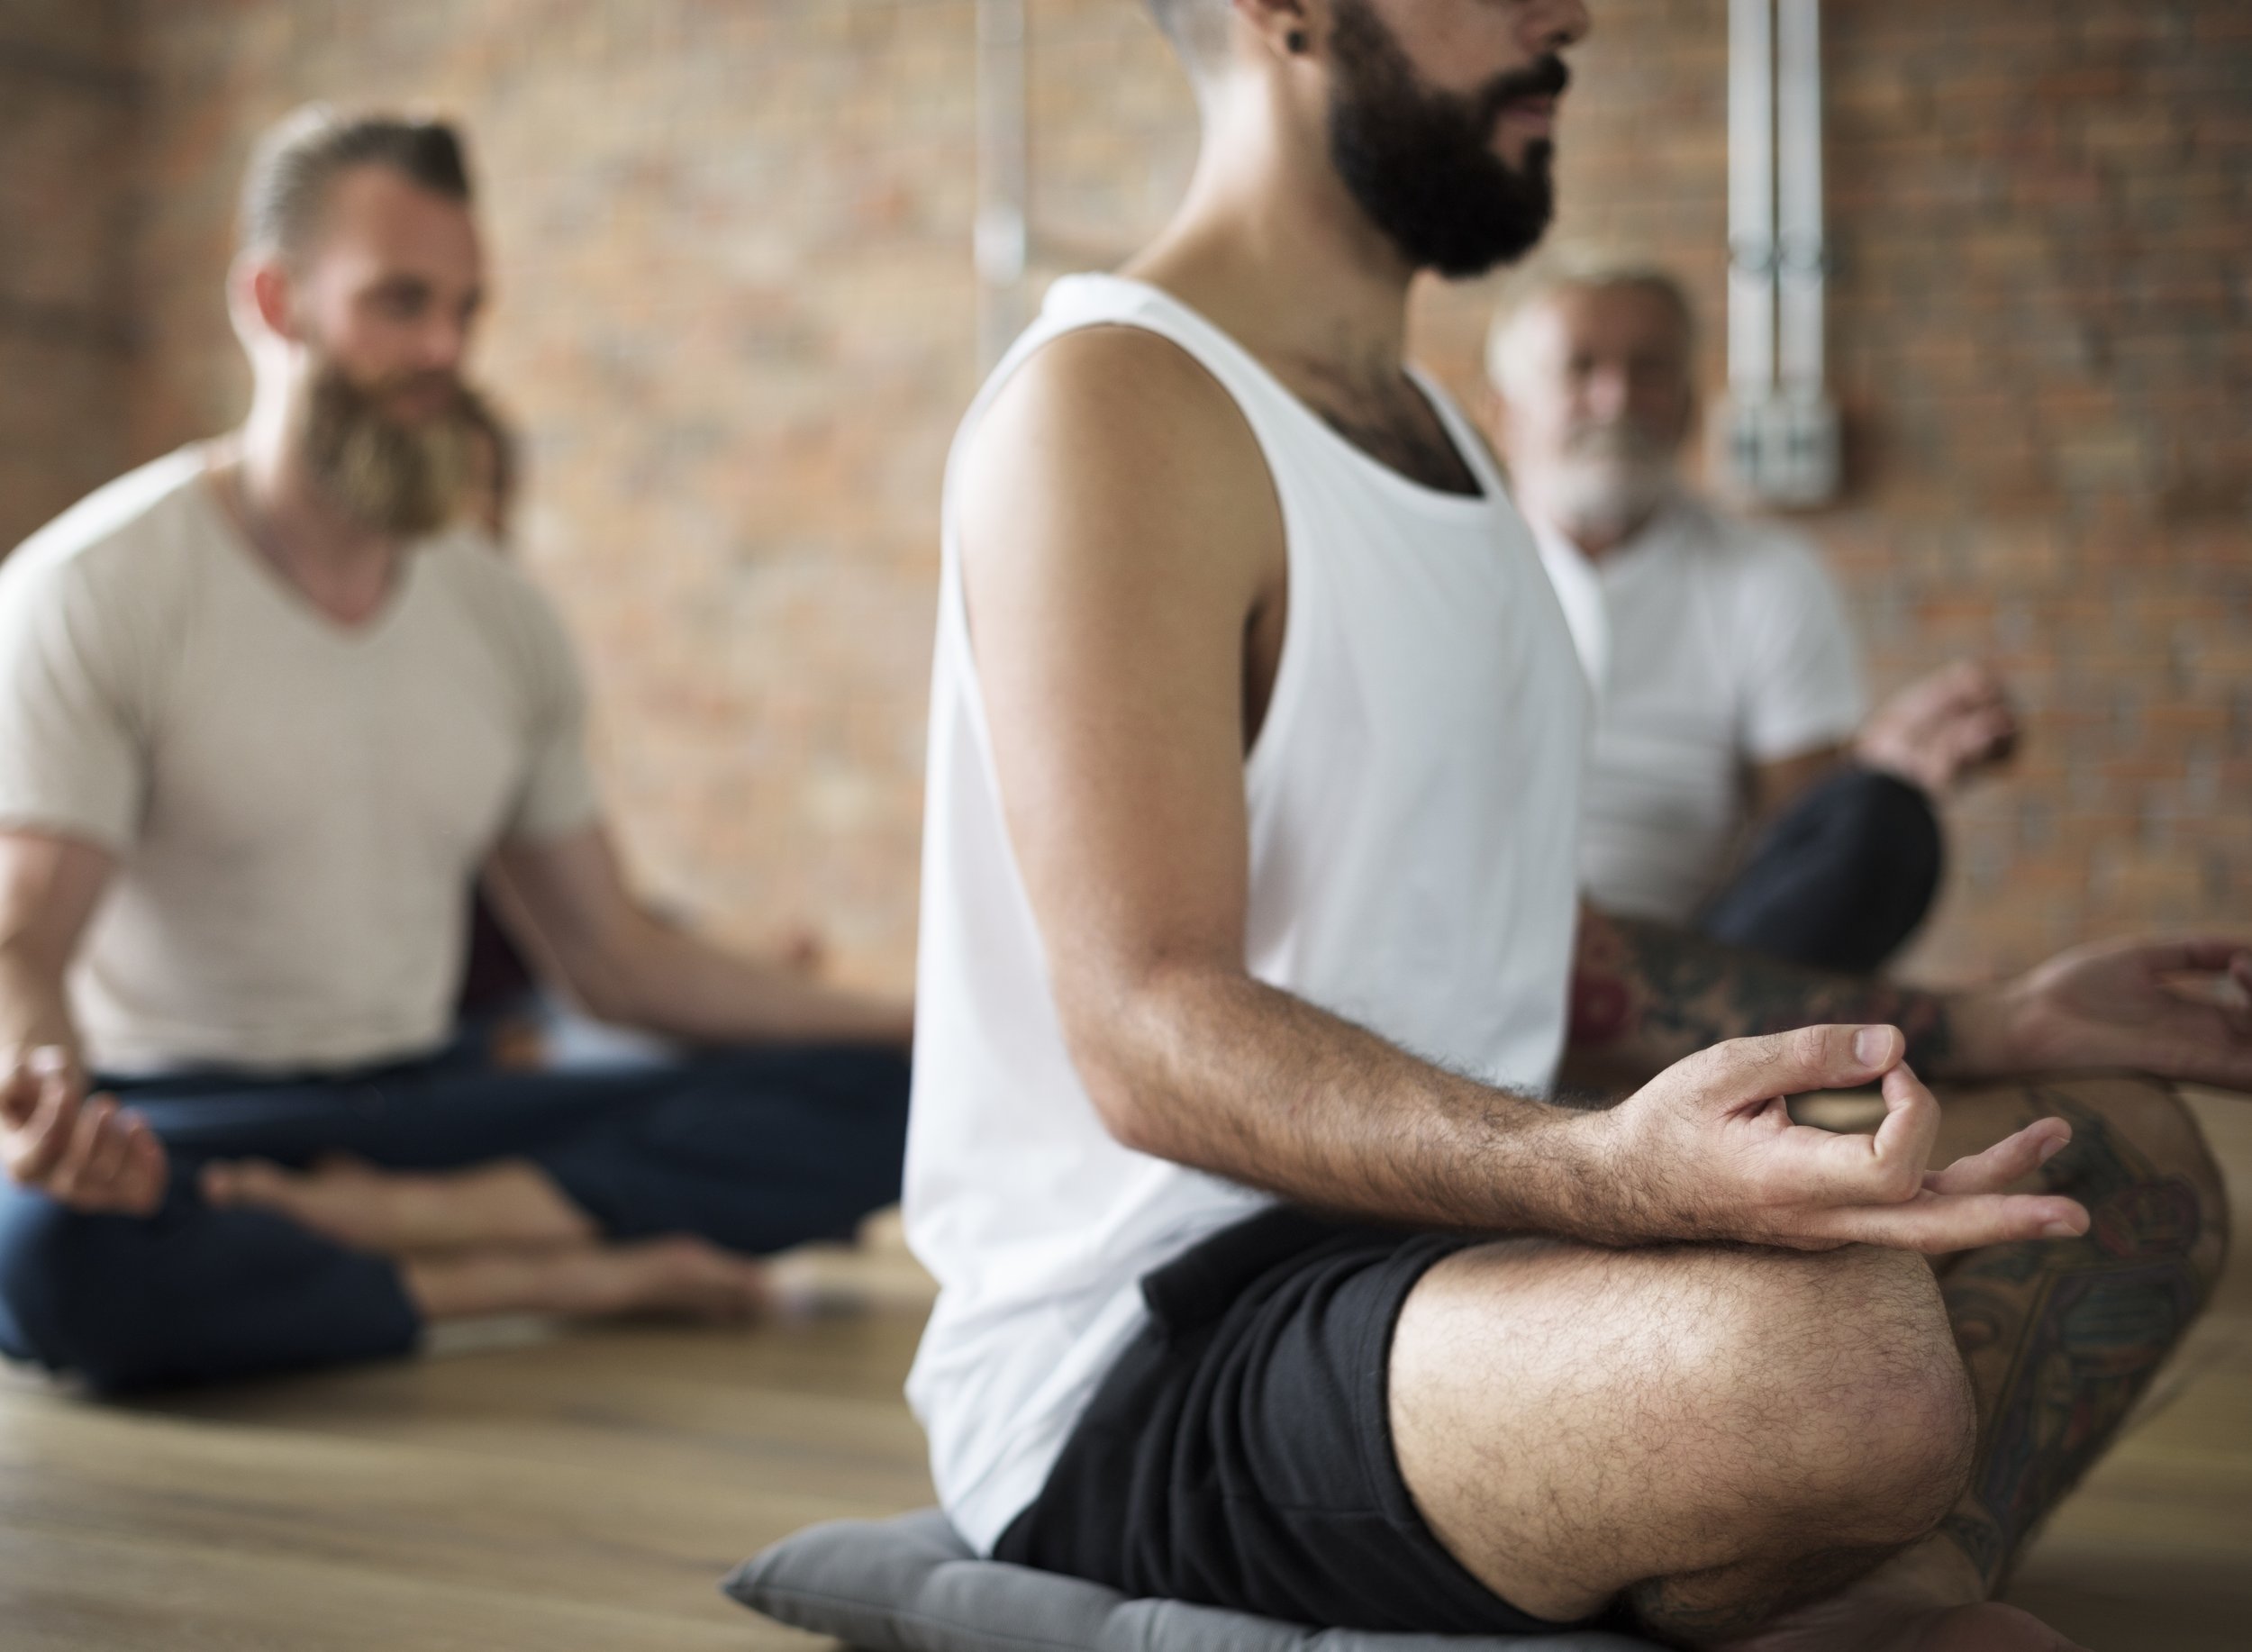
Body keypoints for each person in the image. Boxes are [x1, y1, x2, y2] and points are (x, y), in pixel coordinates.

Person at [903, 3, 2249, 1648]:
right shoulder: (1115, 406)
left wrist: (1994, 1016)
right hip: (1155, 1343)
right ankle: (1872, 1592)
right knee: (1847, 1361)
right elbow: (1145, 1029)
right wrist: (1607, 1175)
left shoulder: (1453, 447)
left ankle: (1867, 1597)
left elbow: (1567, 956)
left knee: (2131, 1160)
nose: (1570, 18)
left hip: (1467, 1250)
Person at [0, 107, 914, 1393]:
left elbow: (617, 958)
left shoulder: (499, 613)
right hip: (189, 1120)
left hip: (430, 1117)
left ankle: (393, 1236)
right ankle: (555, 1273)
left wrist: (921, 1024)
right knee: (43, 1250)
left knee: (886, 1102)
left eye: (467, 311)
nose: (445, 350)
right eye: (401, 303)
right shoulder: (94, 589)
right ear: (274, 301)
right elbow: (23, 936)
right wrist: (49, 1108)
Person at [1485, 259, 2019, 973]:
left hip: (1692, 968)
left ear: (1687, 404)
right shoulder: (1443, 572)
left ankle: (1685, 1058)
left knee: (1879, 819)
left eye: (1648, 370)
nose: (1614, 400)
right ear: (1504, 411)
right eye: (1579, 369)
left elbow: (1796, 843)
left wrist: (1872, 775)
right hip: (1476, 952)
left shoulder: (1769, 578)